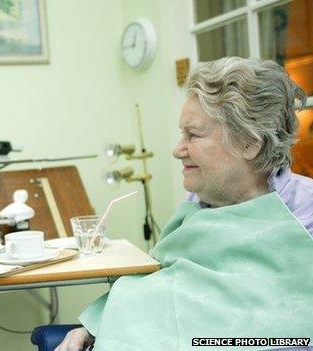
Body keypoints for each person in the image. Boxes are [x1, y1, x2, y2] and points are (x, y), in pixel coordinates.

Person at [55, 57, 313, 351]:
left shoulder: (304, 217)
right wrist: (93, 326)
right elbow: (163, 282)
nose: (178, 150)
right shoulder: (199, 201)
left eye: (193, 135)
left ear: (249, 143)